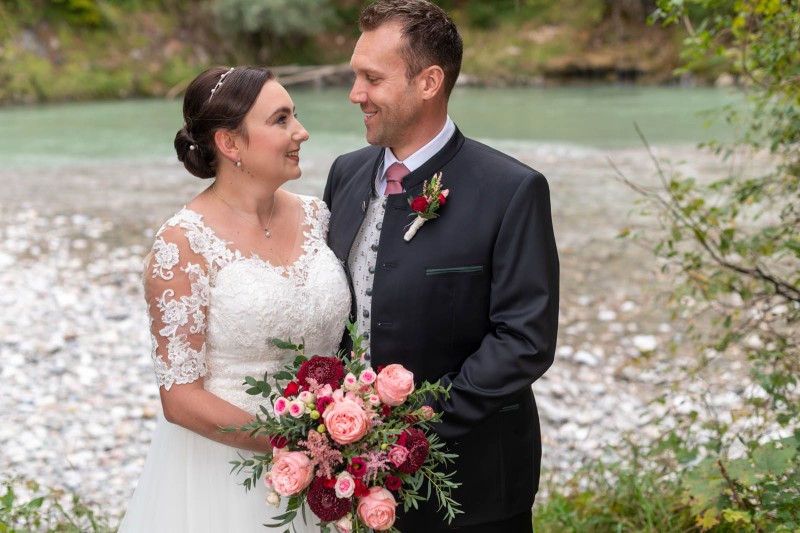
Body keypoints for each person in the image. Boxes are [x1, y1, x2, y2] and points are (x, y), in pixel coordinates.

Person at [323, 1, 559, 531]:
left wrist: (413, 427)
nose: (355, 93)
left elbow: (525, 339)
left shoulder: (512, 190)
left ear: (429, 82)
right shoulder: (345, 173)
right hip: (350, 478)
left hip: (474, 488)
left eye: (371, 78)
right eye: (354, 76)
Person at [118, 66, 350, 532]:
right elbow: (180, 398)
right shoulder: (183, 243)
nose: (300, 132)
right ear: (230, 144)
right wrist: (296, 444)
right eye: (281, 120)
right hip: (226, 475)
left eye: (294, 116)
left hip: (335, 468)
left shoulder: (317, 215)